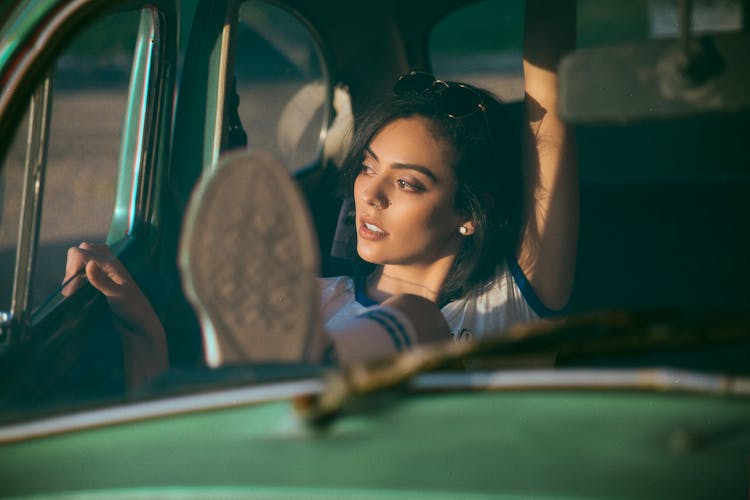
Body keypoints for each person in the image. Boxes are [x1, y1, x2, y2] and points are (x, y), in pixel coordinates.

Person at [63, 0, 577, 386]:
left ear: (469, 211)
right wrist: (137, 323)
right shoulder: (306, 298)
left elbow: (549, 111)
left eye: (406, 183)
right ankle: (296, 376)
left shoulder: (512, 301)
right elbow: (174, 431)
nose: (369, 196)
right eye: (368, 169)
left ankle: (308, 371)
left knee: (418, 320)